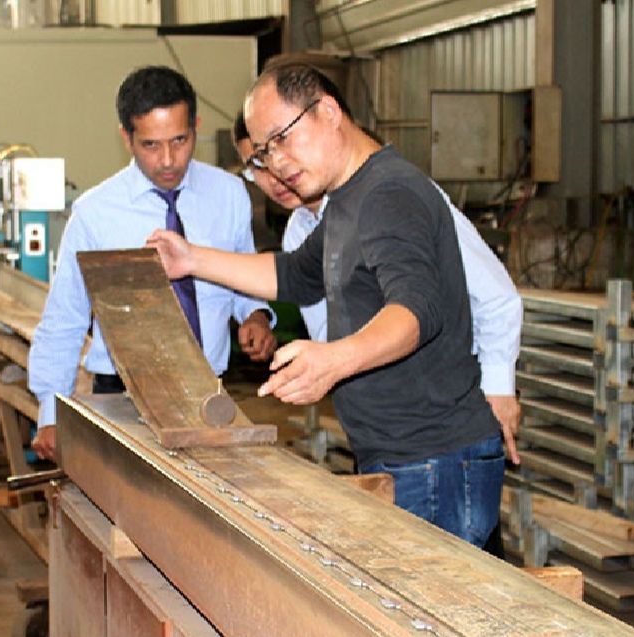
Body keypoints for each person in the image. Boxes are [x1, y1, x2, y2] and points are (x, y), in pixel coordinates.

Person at [149, 63, 504, 547]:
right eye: (265, 152)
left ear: (329, 112)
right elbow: (294, 274)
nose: (277, 163)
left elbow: (418, 309)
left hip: (433, 459)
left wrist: (333, 360)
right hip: (401, 455)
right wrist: (191, 259)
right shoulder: (346, 198)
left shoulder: (389, 194)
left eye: (282, 139)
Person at [231, 111, 523, 463]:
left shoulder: (397, 197)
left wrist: (498, 387)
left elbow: (494, 295)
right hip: (381, 433)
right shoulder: (300, 231)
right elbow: (327, 331)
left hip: (442, 420)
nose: (274, 173)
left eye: (281, 148)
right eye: (257, 166)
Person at [28, 66, 276, 459]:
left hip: (208, 393)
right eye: (150, 145)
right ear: (126, 137)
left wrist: (255, 315)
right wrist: (49, 412)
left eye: (180, 140)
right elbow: (65, 318)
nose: (168, 160)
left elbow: (243, 275)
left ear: (195, 127)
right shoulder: (95, 213)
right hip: (121, 397)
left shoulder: (229, 195)